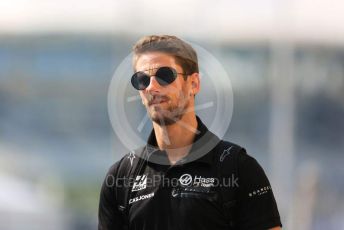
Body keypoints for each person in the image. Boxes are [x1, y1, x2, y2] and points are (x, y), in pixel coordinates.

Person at [98, 35, 282, 230]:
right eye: (142, 79)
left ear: (193, 83)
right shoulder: (121, 177)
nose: (152, 87)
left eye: (164, 75)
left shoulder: (238, 168)